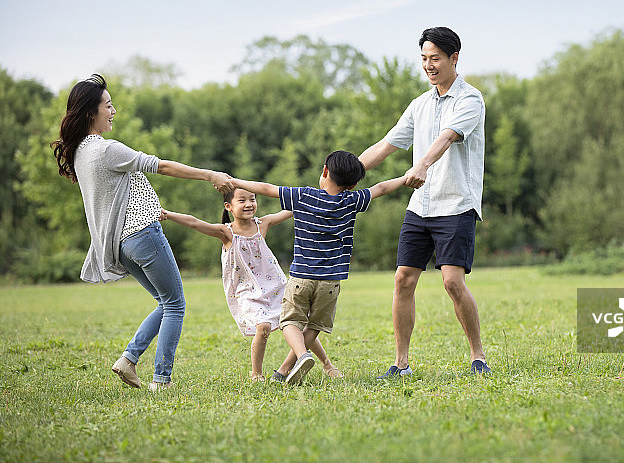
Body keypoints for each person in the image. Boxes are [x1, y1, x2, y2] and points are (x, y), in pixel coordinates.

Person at [51, 74, 235, 392]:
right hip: (142, 234)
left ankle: (128, 360)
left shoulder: (81, 152)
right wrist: (210, 175)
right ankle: (162, 380)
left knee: (164, 302)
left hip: (121, 244)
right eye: (108, 105)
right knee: (175, 304)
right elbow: (162, 166)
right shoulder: (106, 150)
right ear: (91, 113)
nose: (113, 111)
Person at [358, 27, 491, 377]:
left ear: (454, 58)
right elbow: (386, 145)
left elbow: (447, 137)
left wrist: (422, 165)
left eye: (435, 58)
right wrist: (347, 173)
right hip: (421, 206)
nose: (429, 65)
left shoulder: (470, 100)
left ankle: (478, 356)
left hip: (455, 204)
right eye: (424, 59)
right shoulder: (420, 105)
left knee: (452, 282)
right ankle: (401, 363)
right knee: (403, 279)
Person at [230, 151, 408, 384]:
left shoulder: (303, 196)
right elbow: (381, 188)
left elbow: (266, 188)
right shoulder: (352, 200)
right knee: (315, 325)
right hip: (331, 281)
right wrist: (407, 177)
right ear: (353, 185)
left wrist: (233, 181)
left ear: (325, 171)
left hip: (301, 277)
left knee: (289, 322)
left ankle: (302, 356)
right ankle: (284, 370)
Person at [160, 188, 342, 382]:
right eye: (242, 200)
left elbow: (293, 208)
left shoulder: (263, 224)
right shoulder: (226, 232)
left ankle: (327, 364)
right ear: (228, 206)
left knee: (299, 324)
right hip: (247, 291)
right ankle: (256, 374)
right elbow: (195, 222)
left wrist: (317, 197)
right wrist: (168, 214)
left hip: (277, 286)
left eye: (252, 199)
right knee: (263, 327)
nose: (249, 204)